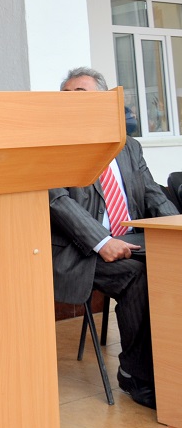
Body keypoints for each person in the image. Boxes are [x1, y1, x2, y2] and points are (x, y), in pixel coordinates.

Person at [50, 66, 179, 410]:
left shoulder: (128, 145)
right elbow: (58, 202)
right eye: (65, 95)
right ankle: (136, 375)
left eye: (81, 94)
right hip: (81, 251)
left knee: (174, 266)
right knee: (139, 276)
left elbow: (152, 194)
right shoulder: (53, 146)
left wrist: (176, 230)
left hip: (133, 240)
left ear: (105, 101)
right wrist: (102, 242)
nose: (71, 101)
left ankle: (172, 367)